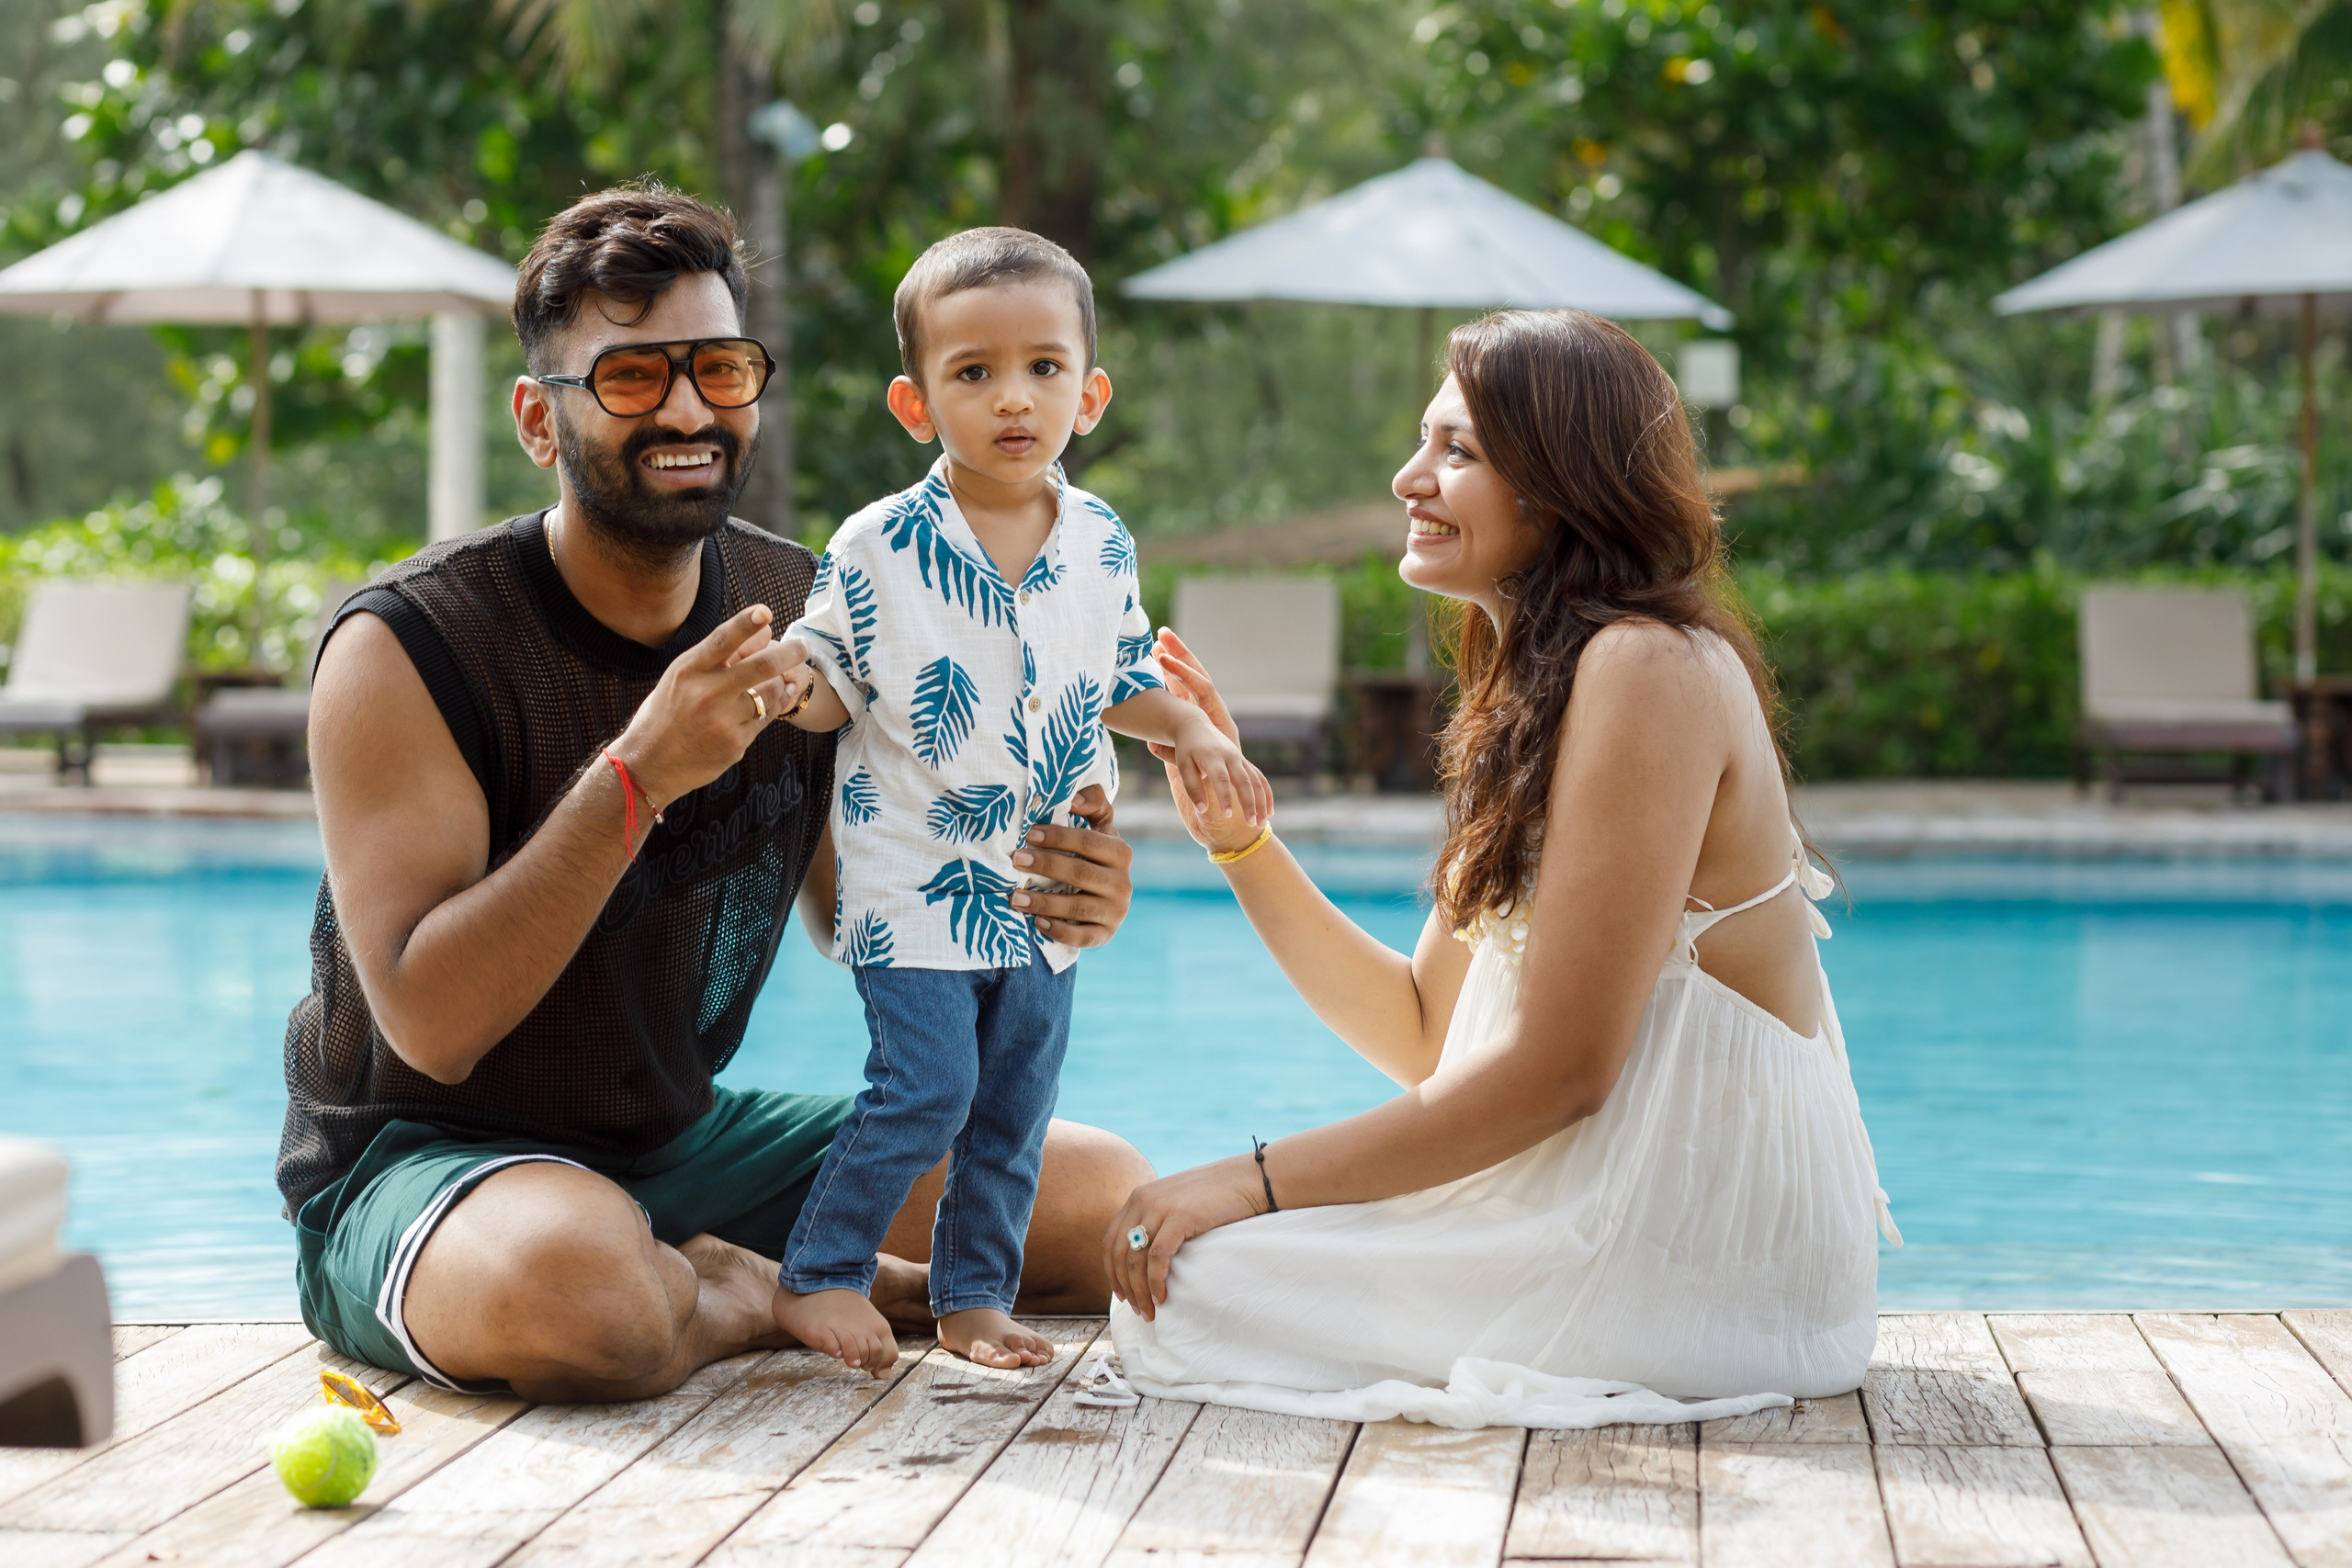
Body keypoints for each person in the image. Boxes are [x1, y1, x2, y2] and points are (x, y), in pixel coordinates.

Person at [280, 184, 1151, 1404]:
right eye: (632, 377)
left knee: (1101, 1200)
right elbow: (431, 1025)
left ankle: (763, 1270)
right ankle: (740, 1290)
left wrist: (1052, 886)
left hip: (686, 1138)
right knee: (580, 1292)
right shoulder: (411, 644)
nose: (688, 409)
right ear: (538, 419)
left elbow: (863, 904)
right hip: (432, 1160)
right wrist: (638, 777)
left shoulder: (806, 607)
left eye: (720, 369)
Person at [1103, 309, 1901, 1429]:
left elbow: (1563, 1071)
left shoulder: (1648, 668)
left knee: (1186, 1292)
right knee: (1176, 1278)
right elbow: (1423, 1033)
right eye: (1424, 442)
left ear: (1562, 483)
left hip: (1703, 1251)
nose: (1408, 478)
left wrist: (1248, 1179)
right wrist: (1239, 841)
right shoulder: (1540, 684)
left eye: (1458, 451)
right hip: (1592, 1208)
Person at [767, 228, 1269, 1376]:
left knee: (1014, 1105)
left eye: (1044, 368)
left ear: (1089, 394)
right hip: (916, 883)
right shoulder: (879, 544)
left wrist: (1191, 728)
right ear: (916, 403)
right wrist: (784, 687)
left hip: (1044, 893)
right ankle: (821, 1272)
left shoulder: (1099, 541)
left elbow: (1121, 674)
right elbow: (832, 677)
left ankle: (973, 1299)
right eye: (973, 372)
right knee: (927, 1087)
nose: (1013, 398)